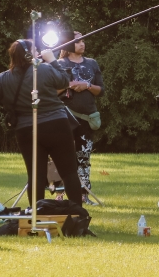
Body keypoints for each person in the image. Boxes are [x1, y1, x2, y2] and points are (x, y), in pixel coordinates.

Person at [0, 39, 83, 207]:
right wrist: (52, 60)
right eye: (36, 49)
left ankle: (36, 217)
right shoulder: (44, 69)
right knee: (69, 172)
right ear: (30, 54)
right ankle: (78, 215)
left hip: (26, 130)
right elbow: (65, 81)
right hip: (56, 126)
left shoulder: (3, 79)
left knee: (35, 175)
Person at [57, 32, 105, 205]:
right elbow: (51, 90)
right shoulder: (59, 64)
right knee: (64, 157)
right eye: (78, 42)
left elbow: (101, 90)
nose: (82, 44)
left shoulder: (92, 63)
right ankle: (61, 196)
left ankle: (84, 195)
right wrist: (69, 85)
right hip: (65, 118)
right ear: (68, 45)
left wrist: (87, 86)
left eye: (83, 41)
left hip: (87, 118)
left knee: (84, 158)